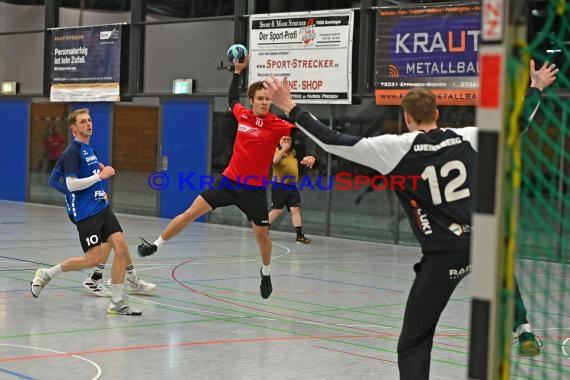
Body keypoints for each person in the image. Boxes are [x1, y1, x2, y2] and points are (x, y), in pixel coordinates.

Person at [262, 59, 558, 379]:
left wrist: (288, 105)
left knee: (414, 341)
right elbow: (518, 124)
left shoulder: (396, 148)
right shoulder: (471, 136)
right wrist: (536, 87)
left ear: (406, 117)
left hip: (444, 254)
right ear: (438, 113)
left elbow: (331, 139)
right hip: (484, 241)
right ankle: (522, 326)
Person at [137, 55, 301, 299]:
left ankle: (266, 273)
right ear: (253, 101)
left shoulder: (278, 124)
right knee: (190, 212)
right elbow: (232, 98)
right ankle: (155, 245)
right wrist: (237, 72)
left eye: (268, 99)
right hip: (228, 182)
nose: (265, 102)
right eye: (261, 99)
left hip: (253, 190)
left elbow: (301, 131)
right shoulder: (243, 115)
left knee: (262, 236)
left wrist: (308, 153)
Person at [31, 108, 143, 316]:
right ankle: (46, 274)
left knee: (120, 246)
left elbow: (90, 175)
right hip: (87, 214)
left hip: (102, 208)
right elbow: (72, 185)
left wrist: (100, 186)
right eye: (83, 121)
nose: (88, 124)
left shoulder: (88, 149)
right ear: (74, 128)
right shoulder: (71, 152)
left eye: (89, 120)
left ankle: (117, 302)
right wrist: (100, 177)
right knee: (92, 259)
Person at [48, 156, 156, 297]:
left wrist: (99, 185)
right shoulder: (69, 157)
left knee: (117, 240)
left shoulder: (87, 155)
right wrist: (72, 192)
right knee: (103, 249)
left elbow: (94, 176)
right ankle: (52, 274)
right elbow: (53, 181)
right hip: (81, 210)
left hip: (95, 204)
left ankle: (122, 278)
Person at [269, 135, 315, 243]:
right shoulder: (276, 150)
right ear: (279, 141)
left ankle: (299, 235)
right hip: (279, 185)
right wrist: (283, 149)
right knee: (277, 210)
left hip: (292, 187)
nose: (286, 141)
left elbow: (296, 163)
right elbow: (275, 161)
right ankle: (263, 229)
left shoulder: (293, 152)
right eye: (283, 139)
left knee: (296, 209)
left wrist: (303, 162)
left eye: (288, 140)